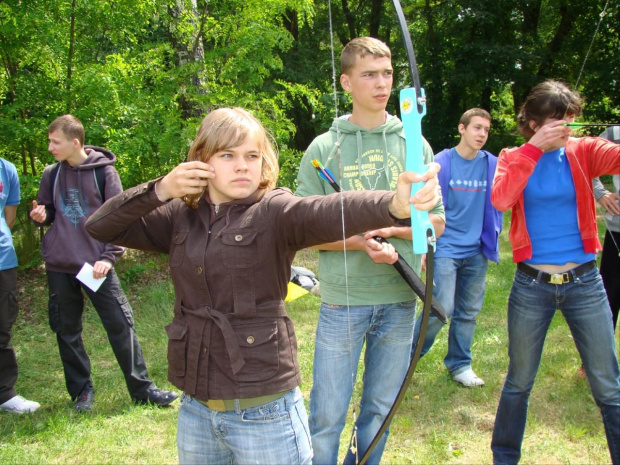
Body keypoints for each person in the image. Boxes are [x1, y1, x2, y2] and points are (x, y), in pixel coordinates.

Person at [84, 107, 441, 465]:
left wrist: (392, 205)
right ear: (200, 161)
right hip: (196, 410)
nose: (242, 166)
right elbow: (100, 226)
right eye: (228, 155)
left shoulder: (274, 211)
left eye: (251, 156)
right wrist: (160, 189)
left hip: (265, 414)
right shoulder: (179, 216)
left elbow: (326, 210)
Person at [295, 37, 445, 465]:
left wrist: (396, 236)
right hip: (344, 300)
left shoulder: (414, 144)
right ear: (346, 82)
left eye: (387, 73)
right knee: (326, 415)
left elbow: (436, 222)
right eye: (368, 75)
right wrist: (357, 240)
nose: (381, 83)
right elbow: (304, 230)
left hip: (399, 300)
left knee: (380, 411)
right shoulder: (325, 148)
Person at [489, 80, 620, 465]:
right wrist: (534, 150)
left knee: (609, 386)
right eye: (557, 122)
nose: (567, 128)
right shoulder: (514, 155)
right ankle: (504, 458)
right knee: (519, 382)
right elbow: (500, 199)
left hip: (584, 282)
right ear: (533, 123)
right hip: (531, 285)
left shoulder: (584, 150)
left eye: (571, 120)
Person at [29, 115, 178, 412]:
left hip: (95, 266)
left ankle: (142, 390)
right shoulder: (51, 174)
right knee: (66, 330)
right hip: (60, 265)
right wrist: (42, 216)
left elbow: (121, 217)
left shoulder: (104, 174)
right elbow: (49, 210)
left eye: (54, 142)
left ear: (75, 142)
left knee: (120, 325)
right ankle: (81, 393)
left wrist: (108, 258)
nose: (49, 147)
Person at [411, 108, 503, 387]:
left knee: (469, 311)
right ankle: (408, 358)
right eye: (477, 128)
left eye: (486, 130)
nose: (482, 135)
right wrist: (426, 248)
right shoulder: (441, 163)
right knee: (442, 308)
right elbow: (424, 207)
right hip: (446, 248)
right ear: (462, 129)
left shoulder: (493, 165)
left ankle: (460, 364)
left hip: (476, 250)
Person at [0, 157, 41, 414]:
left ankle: (5, 394)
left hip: (3, 260)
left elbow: (9, 219)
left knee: (2, 328)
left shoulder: (7, 169)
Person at [593, 125, 620, 332]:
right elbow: (586, 162)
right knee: (610, 296)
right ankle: (597, 362)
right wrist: (600, 193)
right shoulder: (615, 134)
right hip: (618, 231)